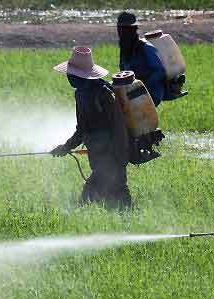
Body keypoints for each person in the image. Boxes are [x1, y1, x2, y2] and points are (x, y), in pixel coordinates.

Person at [50, 47, 132, 210]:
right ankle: (130, 219)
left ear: (80, 76)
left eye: (71, 74)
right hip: (99, 155)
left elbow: (118, 126)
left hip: (112, 155)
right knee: (116, 197)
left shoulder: (103, 94)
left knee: (89, 197)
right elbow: (82, 129)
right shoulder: (81, 94)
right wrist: (65, 147)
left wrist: (118, 156)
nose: (68, 77)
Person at [116, 11, 166, 106]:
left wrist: (142, 88)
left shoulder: (146, 48)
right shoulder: (124, 48)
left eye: (125, 29)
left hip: (152, 94)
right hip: (134, 94)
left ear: (133, 29)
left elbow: (160, 71)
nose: (121, 32)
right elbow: (123, 70)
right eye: (120, 29)